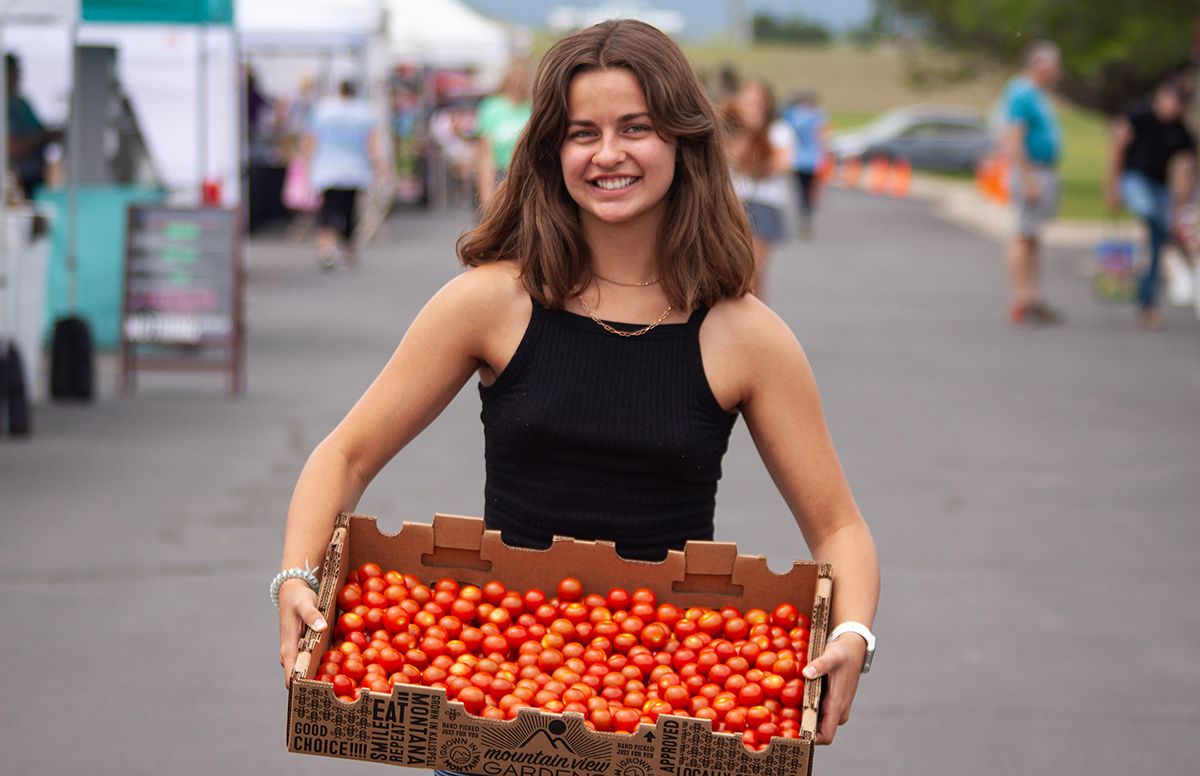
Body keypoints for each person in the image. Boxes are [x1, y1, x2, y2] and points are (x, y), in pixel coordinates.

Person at [275, 20, 879, 747]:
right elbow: (345, 455)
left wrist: (851, 632)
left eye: (636, 127)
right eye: (582, 132)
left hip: (667, 699)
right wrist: (296, 578)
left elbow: (839, 526)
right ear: (551, 150)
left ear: (683, 141)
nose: (609, 154)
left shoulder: (745, 335)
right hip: (494, 689)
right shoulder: (490, 302)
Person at [1105, 77, 1197, 327]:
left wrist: (1179, 208)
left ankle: (1147, 301)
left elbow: (1185, 173)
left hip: (1160, 187)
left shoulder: (1181, 133)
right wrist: (1111, 186)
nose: (1174, 106)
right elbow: (1117, 148)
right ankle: (1174, 235)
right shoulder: (1139, 116)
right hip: (1134, 180)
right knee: (1151, 211)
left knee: (1156, 245)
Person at [1000, 40, 1065, 327]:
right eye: (1054, 65)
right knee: (1022, 232)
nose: (1058, 72)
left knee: (1033, 235)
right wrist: (1027, 178)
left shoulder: (1038, 94)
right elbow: (1014, 139)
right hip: (1032, 172)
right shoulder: (1021, 93)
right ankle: (1020, 299)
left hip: (1044, 171)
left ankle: (1033, 296)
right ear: (1039, 65)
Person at [301, 80, 382, 270]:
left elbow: (310, 138)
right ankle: (348, 247)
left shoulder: (323, 110)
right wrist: (378, 165)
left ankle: (327, 249)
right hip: (355, 169)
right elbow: (372, 143)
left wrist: (305, 164)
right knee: (350, 209)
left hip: (327, 168)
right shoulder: (365, 112)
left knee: (327, 209)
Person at [725, 80, 794, 299]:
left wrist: (757, 158)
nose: (752, 105)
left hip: (764, 202)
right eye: (747, 99)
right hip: (734, 202)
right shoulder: (732, 130)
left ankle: (758, 322)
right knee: (732, 269)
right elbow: (732, 158)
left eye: (757, 100)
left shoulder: (778, 130)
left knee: (755, 272)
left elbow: (782, 164)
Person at [473, 59, 532, 206]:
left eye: (523, 76)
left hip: (527, 177)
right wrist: (486, 195)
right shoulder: (492, 108)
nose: (520, 81)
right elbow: (485, 154)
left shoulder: (532, 108)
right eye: (516, 75)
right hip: (500, 176)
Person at [6, 53, 62, 199]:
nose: (18, 77)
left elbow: (40, 128)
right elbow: (12, 148)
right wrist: (44, 137)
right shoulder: (5, 107)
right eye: (13, 72)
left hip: (37, 180)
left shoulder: (22, 103)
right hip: (18, 182)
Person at [782, 90, 828, 238]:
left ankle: (804, 212)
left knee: (801, 189)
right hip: (813, 159)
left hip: (797, 158)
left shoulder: (792, 114)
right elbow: (822, 136)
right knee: (810, 190)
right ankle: (807, 212)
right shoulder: (818, 115)